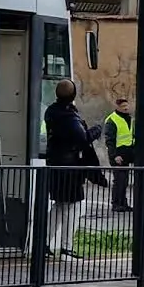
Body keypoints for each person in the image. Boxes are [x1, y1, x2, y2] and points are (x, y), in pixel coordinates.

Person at [44, 79, 97, 260]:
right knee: (73, 207)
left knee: (59, 206)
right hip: (69, 168)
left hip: (55, 165)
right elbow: (82, 139)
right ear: (73, 95)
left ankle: (44, 244)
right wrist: (96, 131)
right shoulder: (68, 117)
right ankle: (67, 249)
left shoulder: (51, 111)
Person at [104, 98, 135, 212]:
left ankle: (123, 203)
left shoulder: (129, 119)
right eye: (123, 106)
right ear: (117, 107)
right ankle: (116, 203)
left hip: (126, 154)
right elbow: (109, 140)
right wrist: (114, 156)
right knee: (119, 180)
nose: (126, 108)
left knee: (124, 180)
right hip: (117, 155)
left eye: (127, 105)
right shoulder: (112, 120)